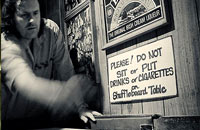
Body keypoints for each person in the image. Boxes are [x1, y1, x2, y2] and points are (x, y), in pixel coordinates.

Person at [1, 0, 101, 129]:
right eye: (25, 15)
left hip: (41, 120)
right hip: (9, 123)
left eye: (35, 13)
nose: (32, 20)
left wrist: (81, 107)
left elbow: (66, 72)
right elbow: (25, 83)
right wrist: (65, 93)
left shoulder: (51, 31)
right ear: (12, 18)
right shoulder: (5, 44)